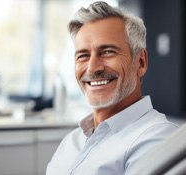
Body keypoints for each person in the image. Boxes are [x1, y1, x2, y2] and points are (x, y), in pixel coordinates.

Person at [46, 1, 178, 174]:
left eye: (108, 51)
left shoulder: (158, 140)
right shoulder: (71, 141)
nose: (93, 67)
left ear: (141, 62)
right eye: (83, 56)